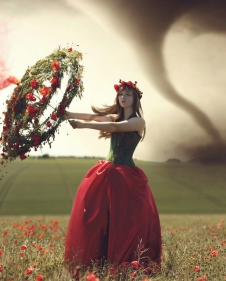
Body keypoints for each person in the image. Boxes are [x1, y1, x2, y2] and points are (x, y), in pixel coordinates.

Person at [64, 80, 162, 277]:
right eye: (120, 95)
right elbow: (92, 116)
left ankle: (124, 265)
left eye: (127, 94)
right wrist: (64, 113)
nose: (123, 97)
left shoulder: (138, 121)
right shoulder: (115, 117)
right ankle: (95, 262)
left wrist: (83, 125)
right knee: (96, 218)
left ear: (135, 99)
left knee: (125, 222)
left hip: (126, 178)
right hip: (107, 173)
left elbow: (115, 127)